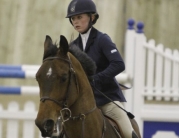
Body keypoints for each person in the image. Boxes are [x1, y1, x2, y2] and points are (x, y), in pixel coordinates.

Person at [66, 0, 138, 138]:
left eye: (80, 17)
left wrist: (96, 79)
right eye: (73, 18)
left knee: (129, 133)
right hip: (83, 103)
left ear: (92, 17)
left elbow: (118, 64)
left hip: (107, 100)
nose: (76, 21)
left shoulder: (102, 39)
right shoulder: (73, 46)